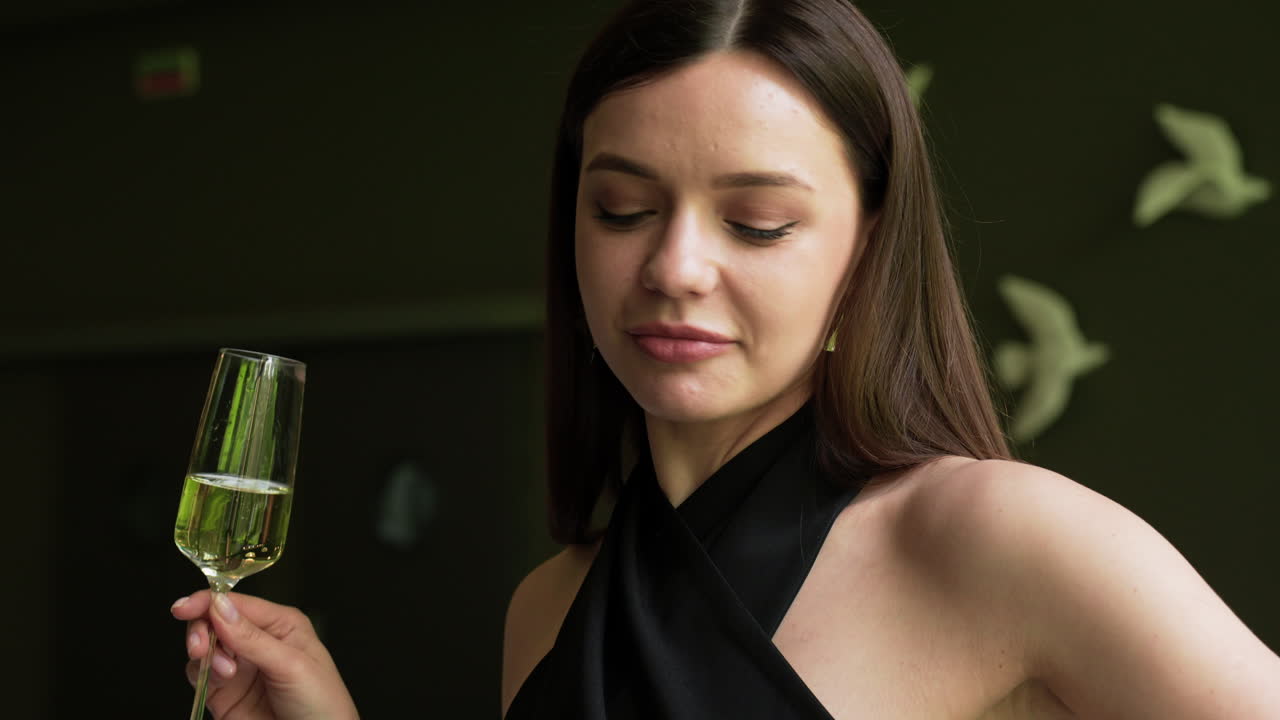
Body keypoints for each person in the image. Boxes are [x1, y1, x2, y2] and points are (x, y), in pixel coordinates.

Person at [172, 0, 1280, 717]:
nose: (674, 267)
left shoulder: (996, 537)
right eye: (621, 209)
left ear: (866, 249)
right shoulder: (548, 605)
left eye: (754, 223)